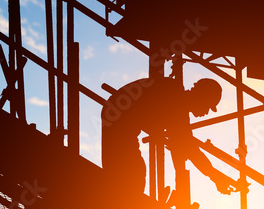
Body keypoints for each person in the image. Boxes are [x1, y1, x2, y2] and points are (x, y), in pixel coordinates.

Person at [101, 77, 238, 197]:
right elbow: (189, 148)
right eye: (207, 106)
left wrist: (215, 177)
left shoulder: (176, 98)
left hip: (116, 117)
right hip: (118, 119)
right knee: (134, 172)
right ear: (200, 97)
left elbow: (184, 145)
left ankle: (121, 203)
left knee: (129, 170)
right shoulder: (175, 97)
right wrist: (215, 177)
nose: (206, 112)